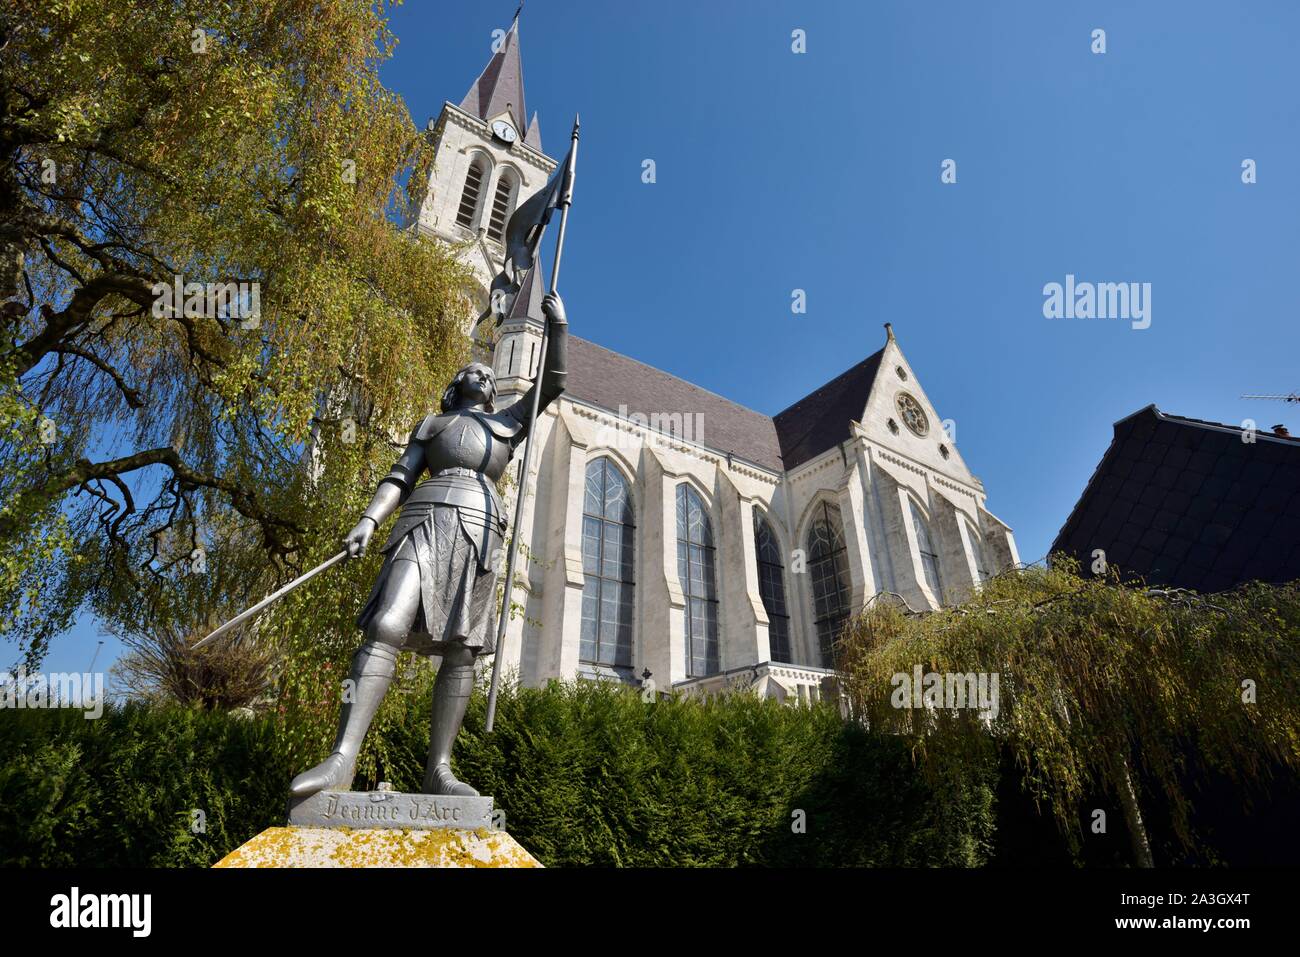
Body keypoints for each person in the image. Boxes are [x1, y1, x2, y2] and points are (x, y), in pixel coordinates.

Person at [289, 291, 567, 798]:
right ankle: (341, 759)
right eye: (472, 371)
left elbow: (553, 384)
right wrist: (369, 520)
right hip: (423, 517)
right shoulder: (432, 424)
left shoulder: (510, 424)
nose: (483, 376)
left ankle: (439, 768)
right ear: (456, 385)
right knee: (386, 623)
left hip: (482, 530)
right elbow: (400, 476)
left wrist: (559, 328)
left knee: (462, 648)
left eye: (488, 374)